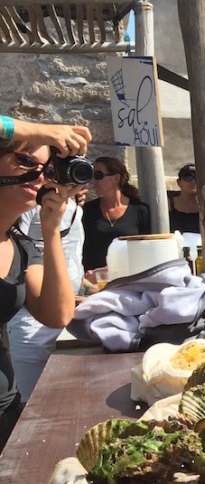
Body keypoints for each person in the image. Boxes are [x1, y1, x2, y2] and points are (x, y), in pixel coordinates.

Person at [0, 116, 89, 447]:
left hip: (5, 410)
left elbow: (58, 314)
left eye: (45, 168)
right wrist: (39, 131)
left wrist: (51, 229)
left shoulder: (19, 248)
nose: (37, 174)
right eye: (24, 161)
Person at [9, 194, 85, 399]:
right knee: (32, 403)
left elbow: (71, 253)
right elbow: (16, 255)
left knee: (61, 399)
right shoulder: (29, 200)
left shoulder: (72, 203)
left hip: (68, 308)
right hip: (30, 317)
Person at [81, 156, 151, 271]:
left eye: (98, 176)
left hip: (129, 277)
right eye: (92, 176)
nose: (93, 181)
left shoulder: (139, 210)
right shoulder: (87, 210)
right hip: (95, 280)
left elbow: (146, 249)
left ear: (116, 178)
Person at [168, 163, 202, 235]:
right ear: (179, 182)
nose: (193, 181)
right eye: (187, 177)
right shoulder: (168, 206)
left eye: (197, 177)